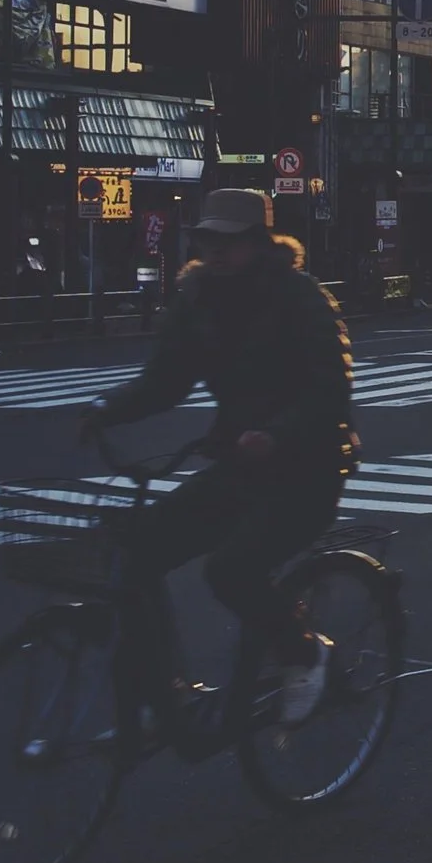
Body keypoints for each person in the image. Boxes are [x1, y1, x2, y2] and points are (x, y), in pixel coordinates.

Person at [82, 188, 354, 725]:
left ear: (260, 242)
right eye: (210, 240)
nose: (218, 251)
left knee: (231, 570)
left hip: (309, 471)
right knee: (136, 551)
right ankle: (166, 688)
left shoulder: (300, 298)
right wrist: (106, 408)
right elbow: (166, 378)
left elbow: (330, 390)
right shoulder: (198, 299)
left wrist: (276, 433)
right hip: (240, 465)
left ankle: (305, 651)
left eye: (232, 241)